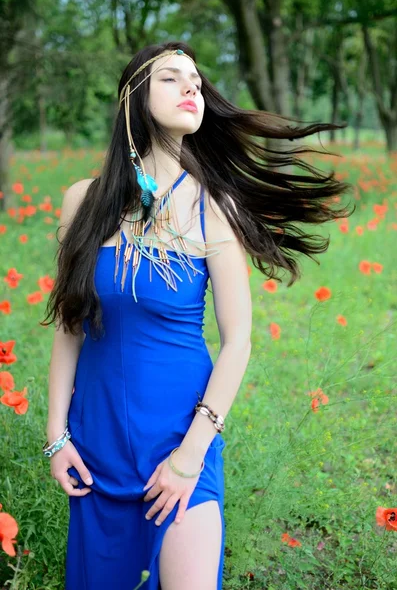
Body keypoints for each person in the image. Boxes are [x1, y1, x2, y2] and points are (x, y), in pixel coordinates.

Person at [41, 41, 354, 590]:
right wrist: (56, 435)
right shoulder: (82, 203)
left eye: (197, 79)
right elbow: (71, 326)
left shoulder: (216, 208)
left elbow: (238, 341)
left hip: (182, 442)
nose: (193, 87)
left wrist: (190, 456)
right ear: (132, 98)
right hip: (97, 450)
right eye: (171, 77)